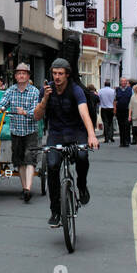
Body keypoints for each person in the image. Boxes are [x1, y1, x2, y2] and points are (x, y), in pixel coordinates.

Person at [34, 58, 99, 228]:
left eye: (60, 74)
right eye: (54, 73)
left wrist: (91, 135)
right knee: (52, 165)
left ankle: (82, 185)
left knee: (82, 155)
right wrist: (45, 99)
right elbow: (37, 116)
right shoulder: (46, 90)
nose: (57, 77)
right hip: (55, 133)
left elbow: (84, 113)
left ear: (67, 75)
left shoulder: (76, 90)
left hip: (76, 131)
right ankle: (55, 210)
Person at [0, 63, 41, 202]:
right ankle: (24, 188)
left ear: (28, 76)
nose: (21, 75)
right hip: (16, 131)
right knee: (19, 161)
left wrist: (25, 112)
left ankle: (28, 189)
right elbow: (3, 104)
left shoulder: (34, 92)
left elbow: (36, 112)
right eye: (19, 73)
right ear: (15, 76)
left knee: (29, 160)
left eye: (24, 73)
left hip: (30, 130)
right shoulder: (11, 90)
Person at [114, 77, 133, 148]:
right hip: (119, 110)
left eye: (125, 81)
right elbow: (115, 100)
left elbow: (132, 100)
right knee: (121, 126)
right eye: (122, 81)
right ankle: (122, 142)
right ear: (120, 82)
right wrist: (115, 109)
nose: (124, 83)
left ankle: (127, 141)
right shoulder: (117, 90)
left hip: (127, 110)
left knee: (127, 126)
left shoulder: (130, 90)